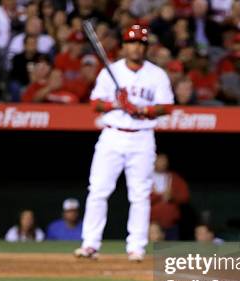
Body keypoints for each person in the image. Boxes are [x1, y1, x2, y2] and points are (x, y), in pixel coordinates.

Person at [74, 24, 174, 262]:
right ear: (124, 46)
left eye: (140, 43)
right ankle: (90, 244)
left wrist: (144, 109)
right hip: (112, 135)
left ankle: (136, 247)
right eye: (132, 42)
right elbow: (95, 103)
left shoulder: (156, 74)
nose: (136, 47)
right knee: (98, 190)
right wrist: (117, 104)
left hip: (142, 137)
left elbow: (167, 107)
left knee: (140, 195)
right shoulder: (112, 72)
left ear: (146, 47)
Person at [150, 153, 190, 240]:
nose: (162, 163)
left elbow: (185, 197)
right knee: (151, 250)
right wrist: (159, 196)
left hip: (171, 225)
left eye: (164, 160)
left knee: (171, 251)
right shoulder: (145, 178)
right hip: (152, 225)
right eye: (159, 160)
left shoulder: (175, 178)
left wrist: (172, 196)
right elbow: (140, 198)